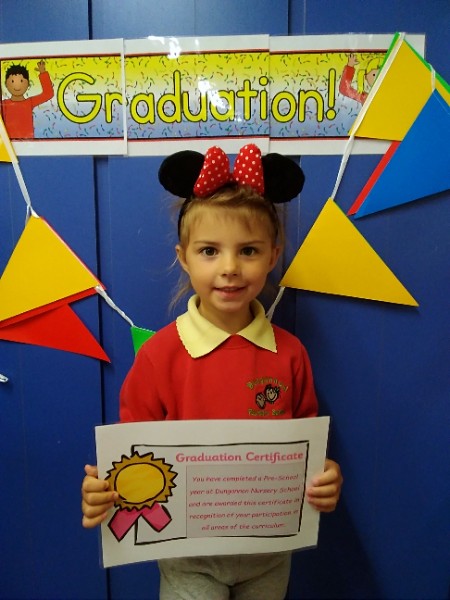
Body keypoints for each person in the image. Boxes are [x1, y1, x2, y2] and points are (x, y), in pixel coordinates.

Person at [82, 144, 343, 600]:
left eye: (248, 250)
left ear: (273, 255)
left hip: (269, 553)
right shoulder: (160, 355)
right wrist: (104, 491)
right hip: (188, 560)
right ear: (184, 257)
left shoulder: (291, 354)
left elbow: (306, 447)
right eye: (209, 250)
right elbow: (131, 459)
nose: (229, 268)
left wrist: (325, 475)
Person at [1, 60, 54, 138]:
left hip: (28, 142)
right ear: (6, 84)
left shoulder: (30, 102)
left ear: (28, 84)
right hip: (8, 144)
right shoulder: (3, 105)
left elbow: (48, 94)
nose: (17, 86)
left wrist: (43, 73)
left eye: (21, 81)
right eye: (12, 81)